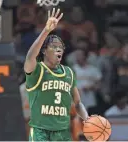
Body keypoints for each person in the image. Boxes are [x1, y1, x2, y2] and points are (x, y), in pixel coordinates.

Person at [24, 8, 89, 141]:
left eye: (60, 47)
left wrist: (88, 119)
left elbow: (77, 104)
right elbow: (30, 56)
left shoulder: (69, 73)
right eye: (54, 46)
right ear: (44, 51)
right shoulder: (37, 70)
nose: (58, 49)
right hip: (40, 132)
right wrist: (46, 30)